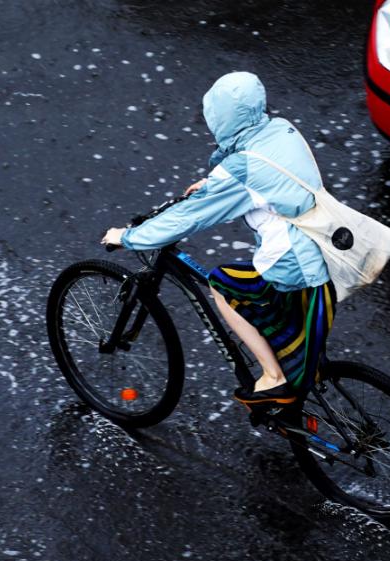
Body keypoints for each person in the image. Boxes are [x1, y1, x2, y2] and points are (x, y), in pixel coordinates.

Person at [101, 71, 335, 413]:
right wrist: (213, 184)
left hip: (293, 267)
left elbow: (190, 217)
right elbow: (266, 172)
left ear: (223, 118)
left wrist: (129, 237)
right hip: (324, 251)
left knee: (222, 284)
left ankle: (272, 377)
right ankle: (284, 382)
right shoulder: (280, 130)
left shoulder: (244, 168)